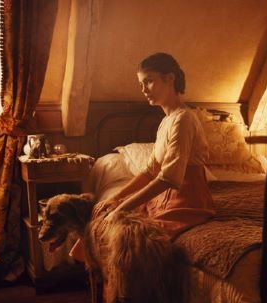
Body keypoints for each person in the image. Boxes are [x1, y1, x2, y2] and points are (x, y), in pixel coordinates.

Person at [70, 52, 215, 264]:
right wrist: (115, 198)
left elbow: (168, 178)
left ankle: (123, 281)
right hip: (165, 197)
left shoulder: (184, 119)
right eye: (141, 84)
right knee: (105, 216)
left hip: (187, 201)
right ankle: (100, 274)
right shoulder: (167, 121)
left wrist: (121, 207)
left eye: (149, 81)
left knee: (132, 236)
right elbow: (149, 171)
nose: (143, 90)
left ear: (170, 79)